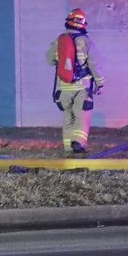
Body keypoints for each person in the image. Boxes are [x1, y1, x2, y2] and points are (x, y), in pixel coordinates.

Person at [46, 9, 105, 153]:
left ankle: (67, 147)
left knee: (68, 117)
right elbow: (95, 64)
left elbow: (49, 60)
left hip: (63, 88)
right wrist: (100, 83)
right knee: (82, 116)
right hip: (82, 88)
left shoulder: (59, 41)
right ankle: (78, 143)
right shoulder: (85, 42)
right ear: (83, 24)